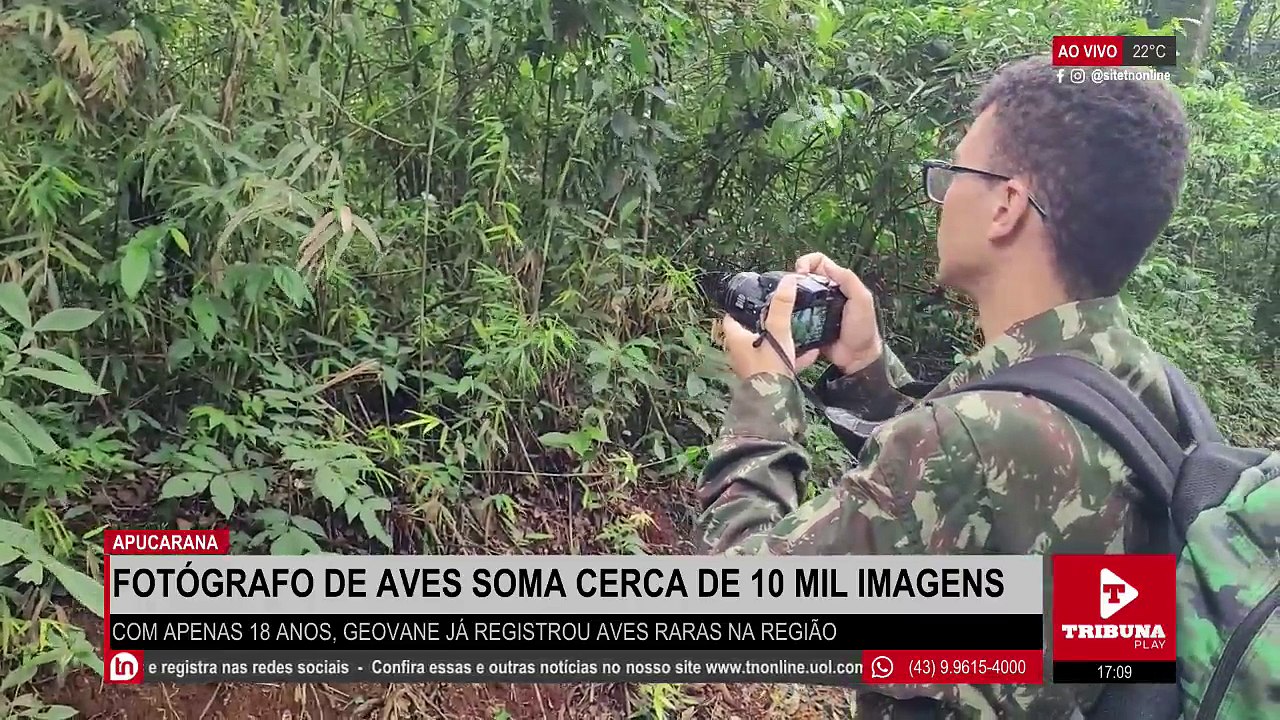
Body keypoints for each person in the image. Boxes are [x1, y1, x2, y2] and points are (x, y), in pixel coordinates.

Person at [697, 55, 1191, 717]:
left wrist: (765, 390)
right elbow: (974, 505)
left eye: (954, 173)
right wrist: (868, 365)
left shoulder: (968, 443)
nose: (942, 193)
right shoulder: (1150, 393)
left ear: (1006, 206)